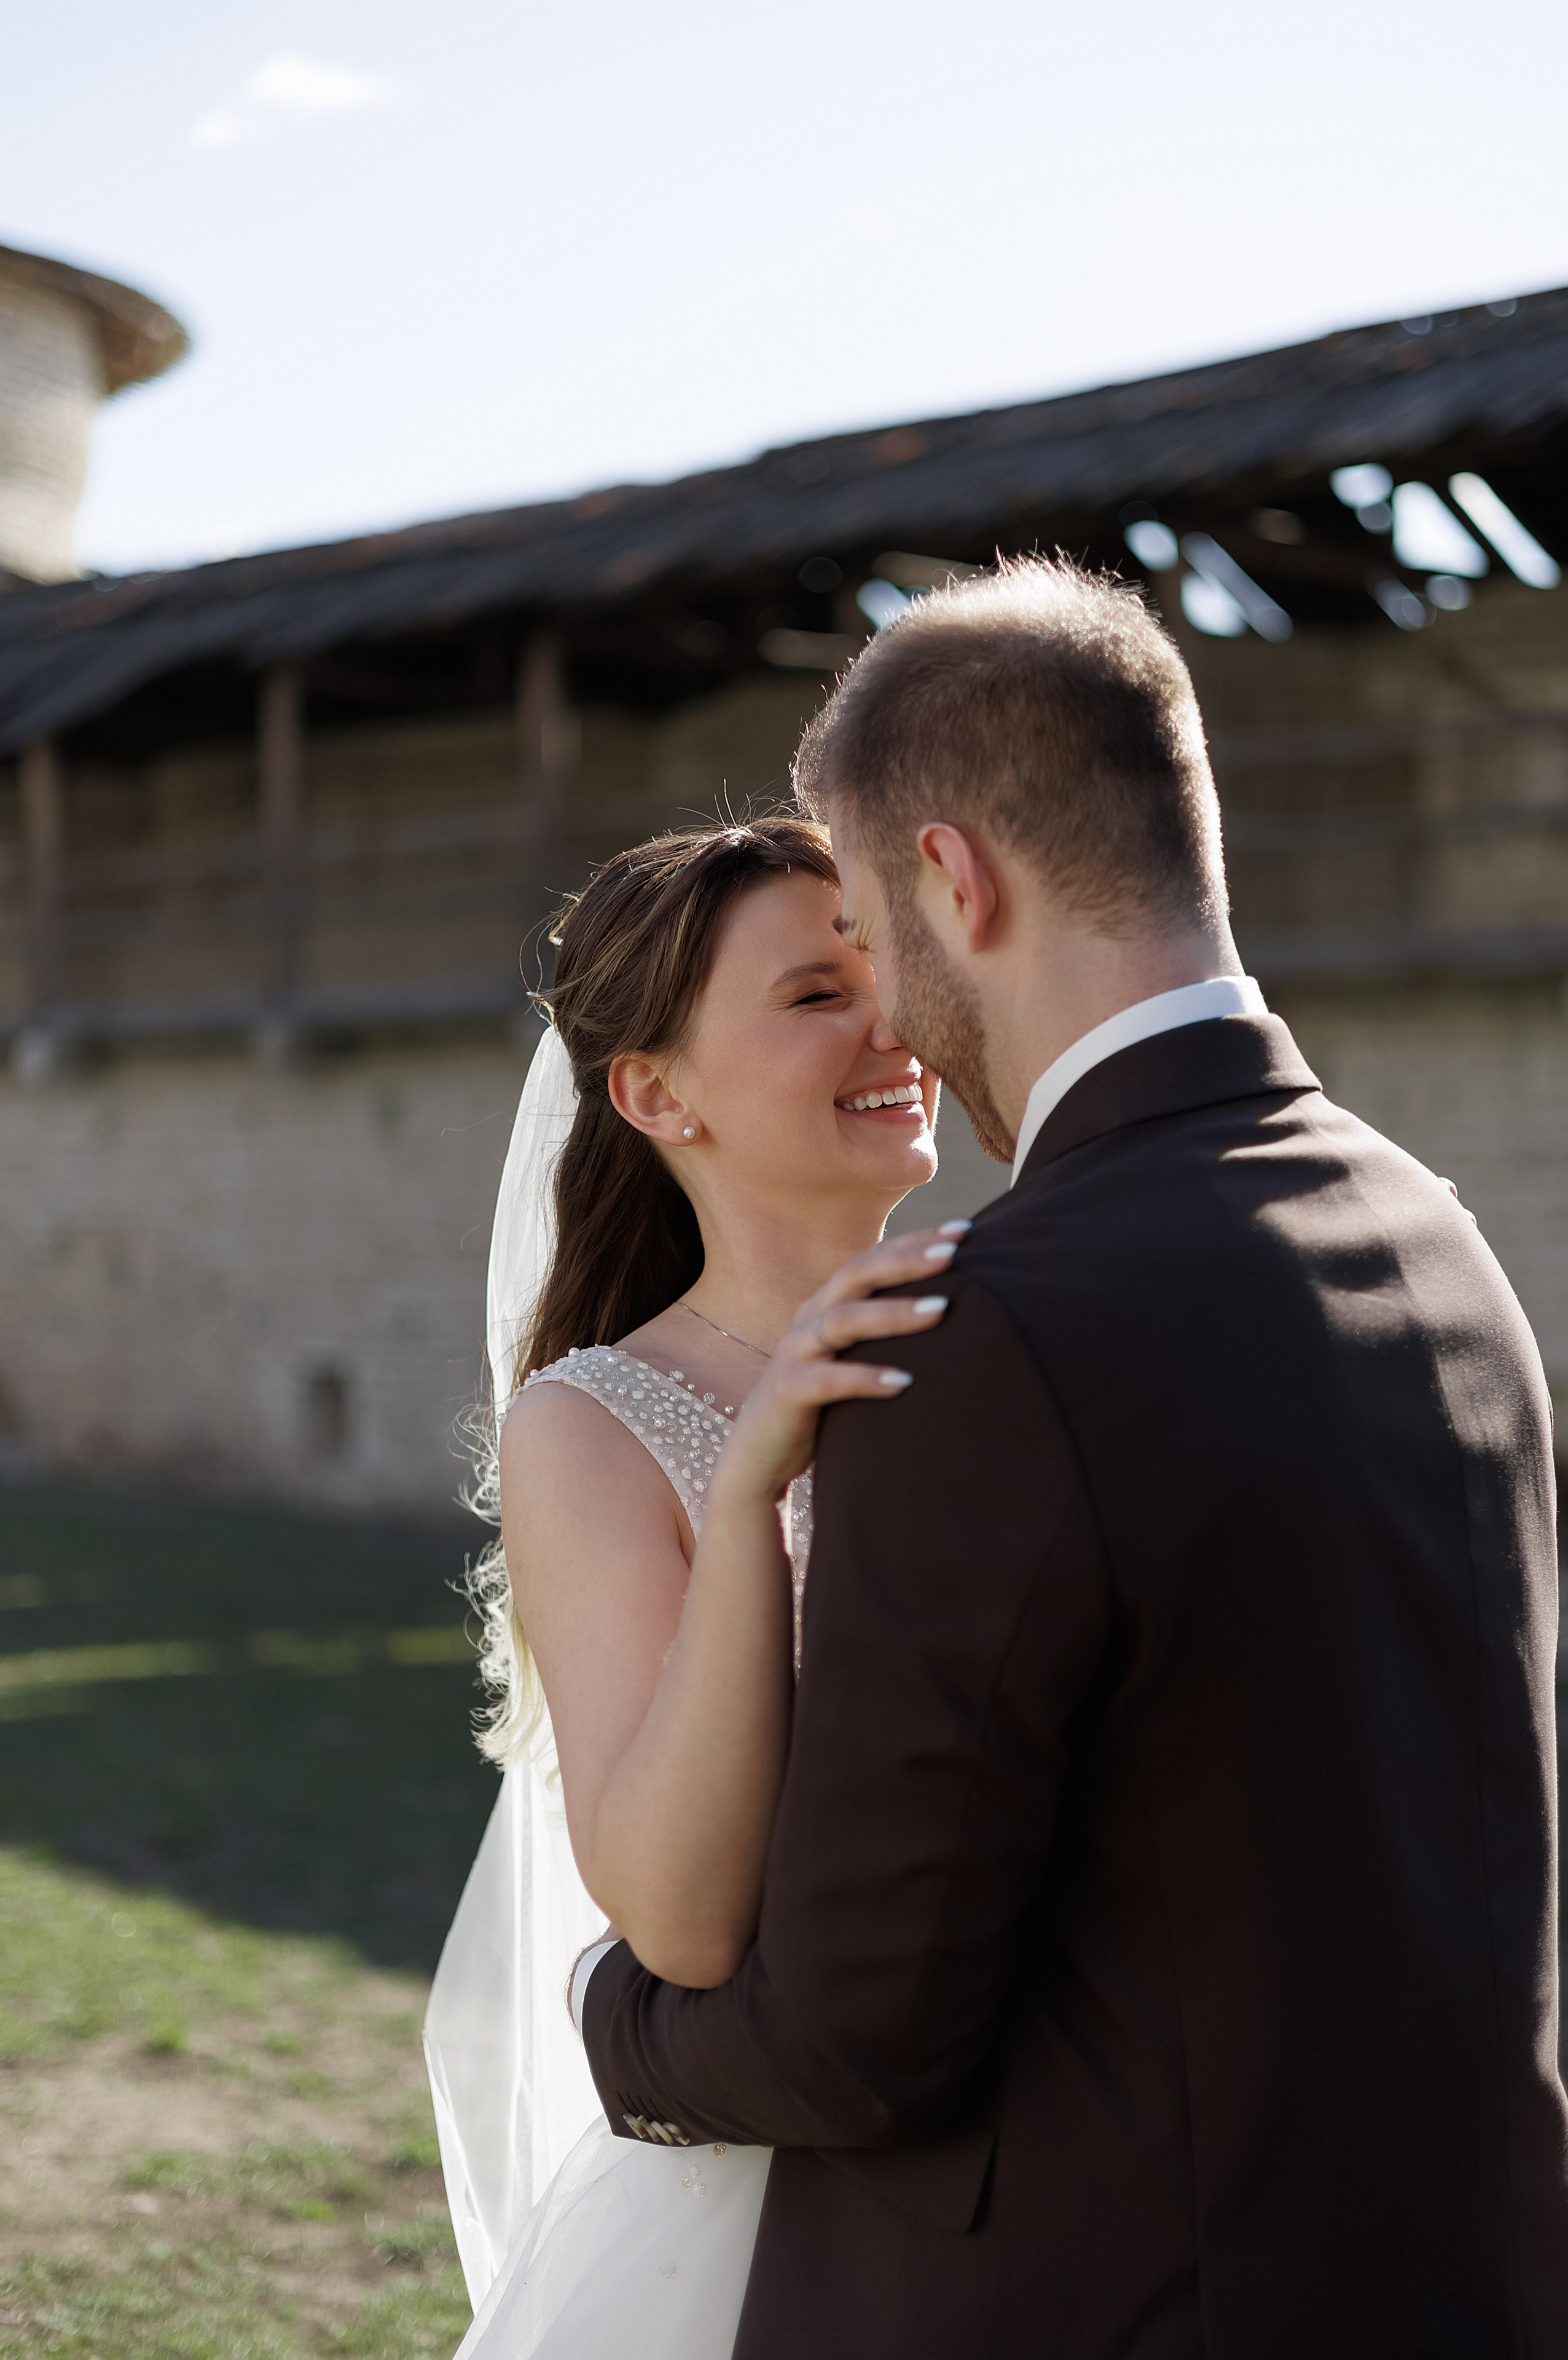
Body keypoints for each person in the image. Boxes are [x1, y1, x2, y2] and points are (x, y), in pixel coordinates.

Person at [578, 557, 1568, 2356]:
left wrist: (605, 2018)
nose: (883, 1005)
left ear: (953, 879)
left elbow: (854, 2033)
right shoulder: (1439, 1238)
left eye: (868, 928)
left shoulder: (981, 1336)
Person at [425, 814, 963, 2356]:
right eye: (813, 994)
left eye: (885, 970)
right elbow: (674, 1916)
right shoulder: (591, 1426)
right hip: (772, 2184)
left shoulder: (1001, 1332)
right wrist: (745, 1502)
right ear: (659, 1094)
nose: (891, 1022)